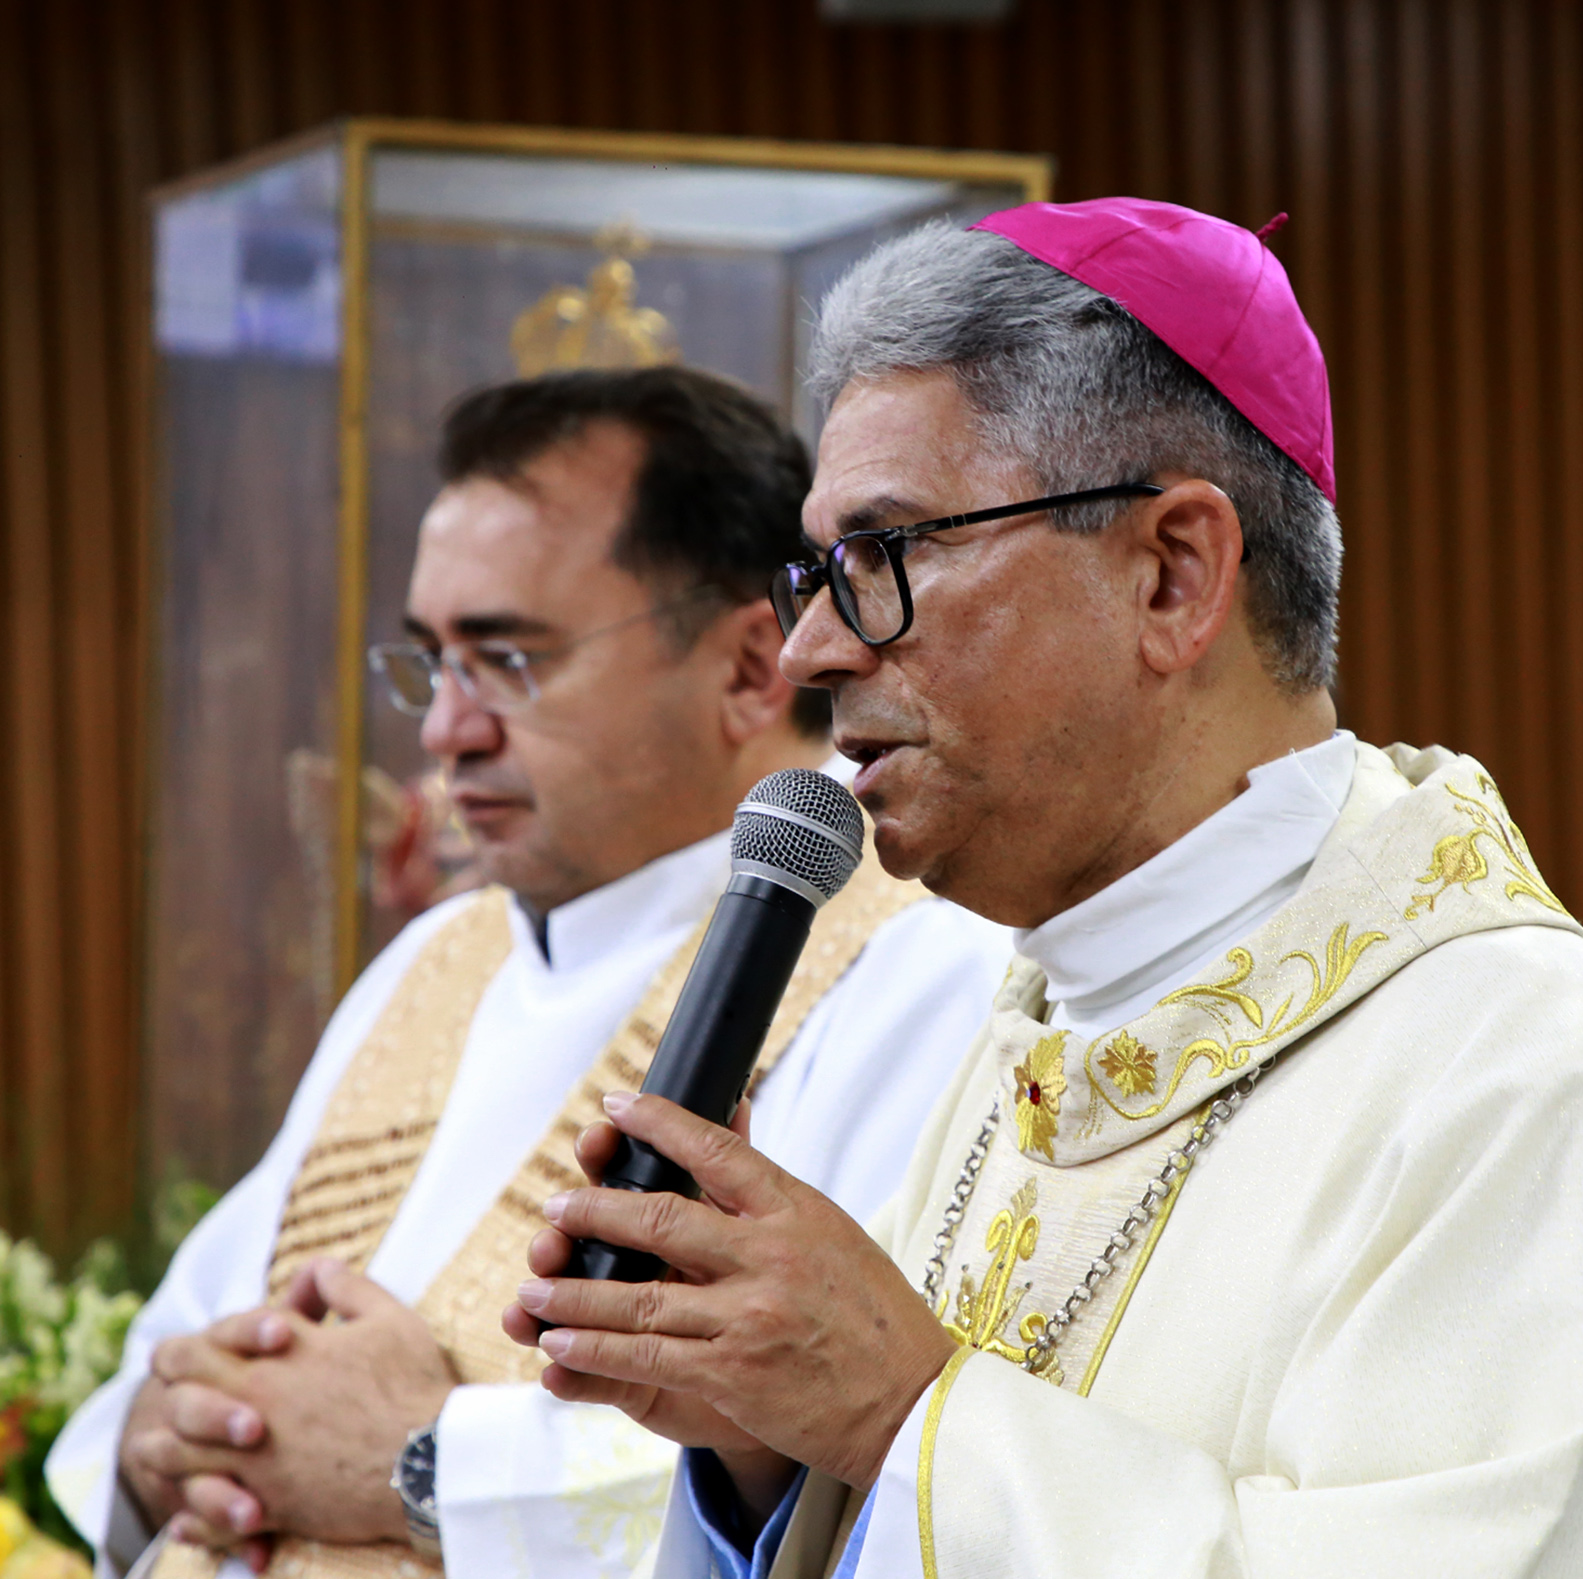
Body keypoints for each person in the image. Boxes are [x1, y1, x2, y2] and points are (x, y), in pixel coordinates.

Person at [502, 198, 1583, 1579]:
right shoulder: (1033, 1041)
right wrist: (768, 1447)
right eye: (821, 569)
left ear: (1171, 576)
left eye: (889, 554)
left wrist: (899, 1413)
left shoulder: (1534, 1079)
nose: (811, 648)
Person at [45, 367, 1013, 1579]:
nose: (444, 731)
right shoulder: (440, 957)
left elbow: (868, 1458)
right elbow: (177, 1359)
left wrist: (427, 1464)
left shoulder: (924, 965)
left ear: (747, 669)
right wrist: (168, 1437)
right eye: (431, 662)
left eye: (506, 659)